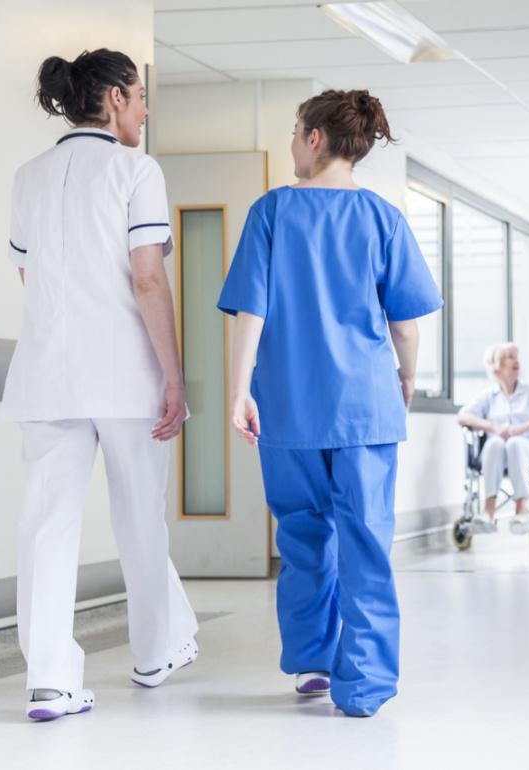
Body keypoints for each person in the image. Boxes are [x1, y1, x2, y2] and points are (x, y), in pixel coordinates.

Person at [218, 90, 442, 718]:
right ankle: (364, 685)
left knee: (303, 534)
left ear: (316, 138)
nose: (291, 143)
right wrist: (404, 379)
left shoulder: (271, 212)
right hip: (365, 407)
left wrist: (240, 391)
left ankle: (314, 662)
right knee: (366, 540)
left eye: (294, 132)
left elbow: (251, 310)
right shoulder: (383, 218)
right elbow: (405, 324)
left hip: (288, 404)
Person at [3, 49, 198, 721]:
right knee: (139, 514)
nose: (145, 109)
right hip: (122, 374)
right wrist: (174, 374)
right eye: (141, 96)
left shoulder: (29, 176)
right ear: (114, 98)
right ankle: (154, 651)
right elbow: (148, 277)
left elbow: (30, 279)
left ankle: (50, 681)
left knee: (46, 526)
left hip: (46, 374)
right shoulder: (135, 170)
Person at [457, 343, 529, 534]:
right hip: (495, 453)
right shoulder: (489, 395)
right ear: (496, 365)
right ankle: (488, 510)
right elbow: (463, 416)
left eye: (516, 356)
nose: (516, 361)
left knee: (515, 443)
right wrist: (493, 427)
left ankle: (521, 510)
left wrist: (519, 429)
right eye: (509, 357)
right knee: (495, 442)